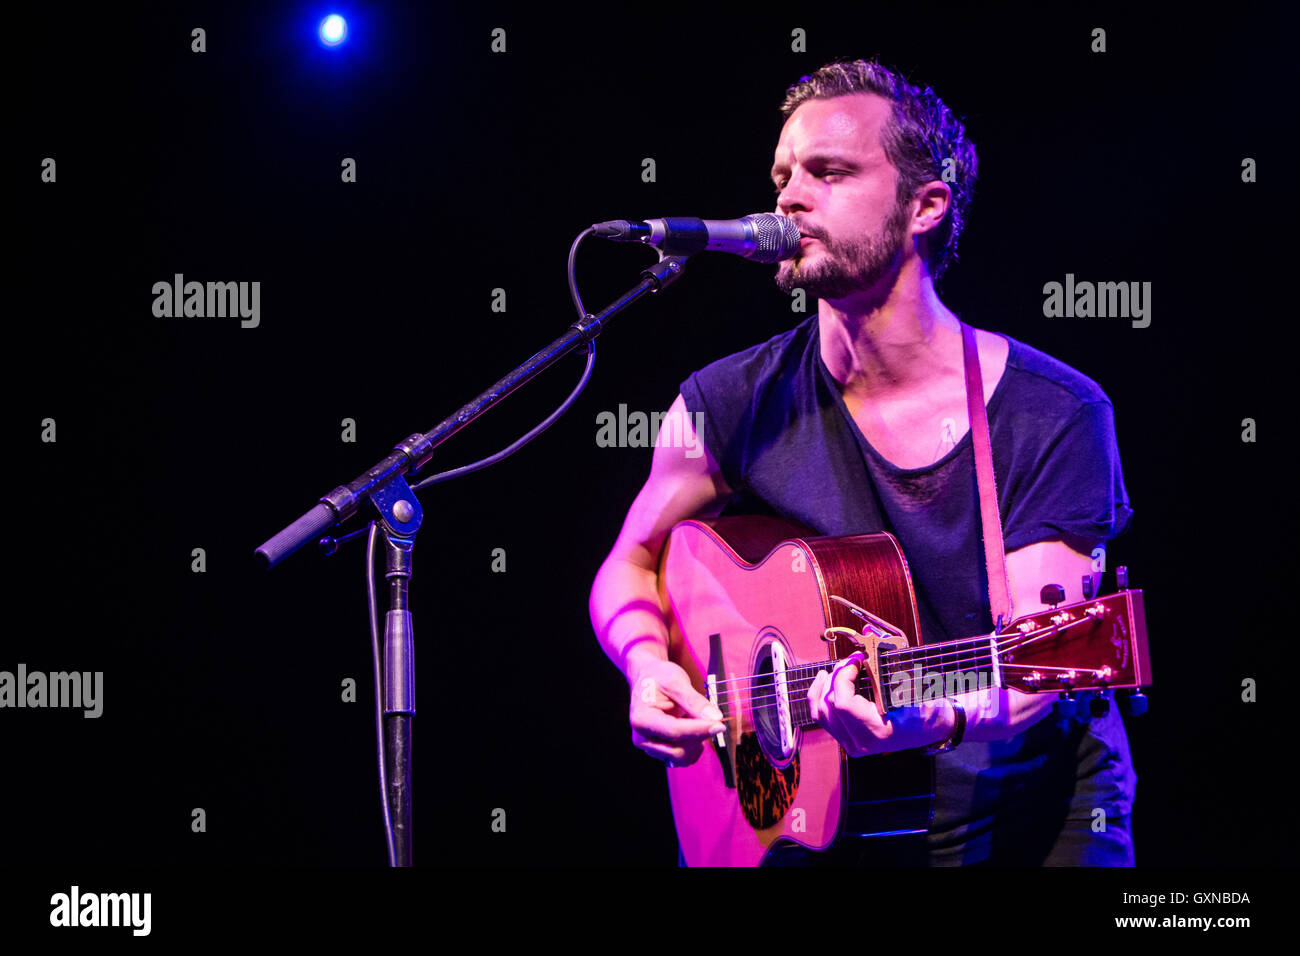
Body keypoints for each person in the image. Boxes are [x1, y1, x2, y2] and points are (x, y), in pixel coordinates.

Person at [588, 58, 1137, 866]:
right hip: (822, 818)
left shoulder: (1055, 413)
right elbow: (627, 564)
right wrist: (644, 667)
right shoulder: (723, 399)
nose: (788, 197)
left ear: (925, 205)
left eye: (830, 172)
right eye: (783, 175)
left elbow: (1036, 671)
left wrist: (935, 719)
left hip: (1027, 814)